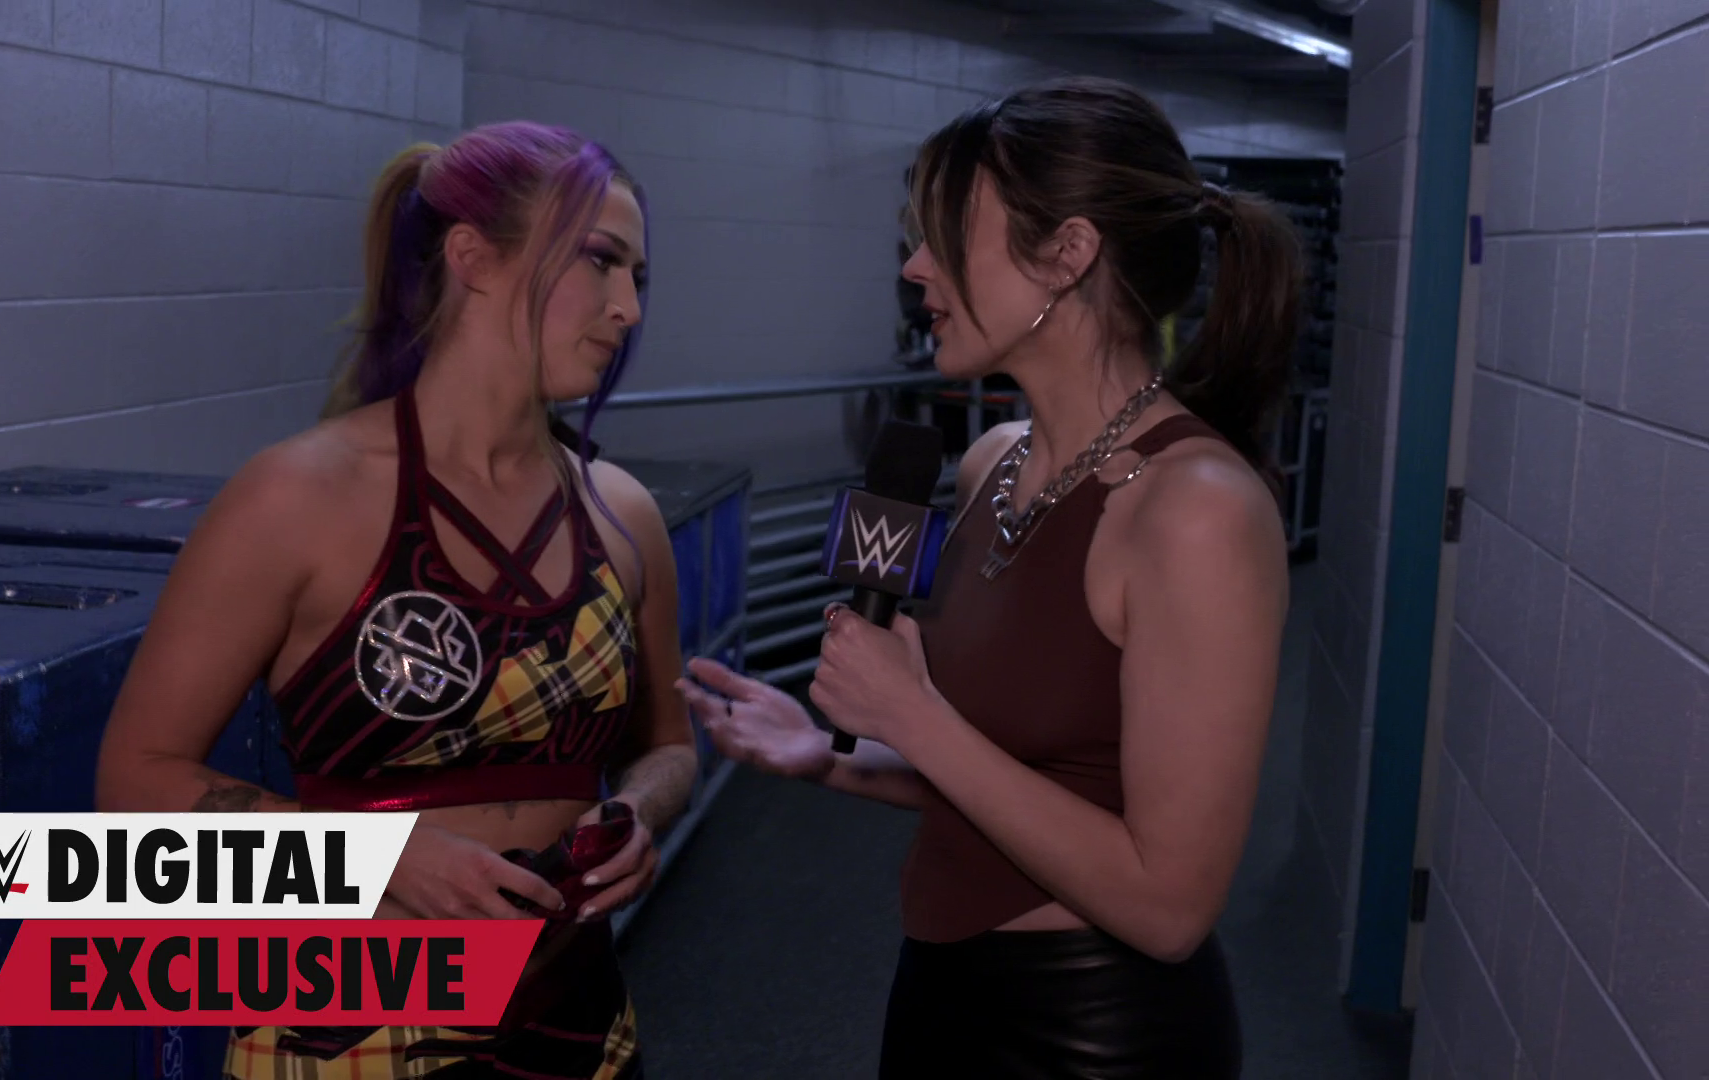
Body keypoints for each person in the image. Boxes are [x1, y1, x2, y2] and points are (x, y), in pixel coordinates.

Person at [681, 76, 1297, 1078]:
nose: (915, 268)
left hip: (1093, 1031)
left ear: (1068, 253)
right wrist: (830, 754)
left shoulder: (1197, 511)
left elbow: (1171, 906)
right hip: (937, 989)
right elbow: (1005, 771)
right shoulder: (990, 463)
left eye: (945, 236)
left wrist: (911, 714)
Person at [97, 122, 695, 1080]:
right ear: (473, 257)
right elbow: (133, 782)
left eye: (640, 277)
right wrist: (379, 858)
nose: (626, 307)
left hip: (577, 1024)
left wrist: (640, 812)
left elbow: (668, 746)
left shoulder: (622, 515)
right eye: (599, 261)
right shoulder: (297, 496)